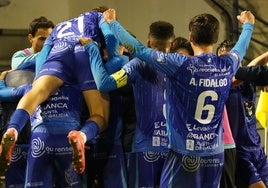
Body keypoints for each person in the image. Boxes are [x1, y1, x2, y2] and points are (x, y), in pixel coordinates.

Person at [102, 8, 255, 187]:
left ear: (190, 38)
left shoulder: (181, 64)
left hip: (185, 152)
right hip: (215, 155)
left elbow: (139, 50)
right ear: (215, 39)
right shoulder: (228, 63)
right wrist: (248, 25)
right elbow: (241, 47)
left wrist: (112, 23)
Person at [0, 8, 112, 186]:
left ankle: (13, 129)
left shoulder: (58, 28)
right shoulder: (101, 18)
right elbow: (112, 40)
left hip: (39, 137)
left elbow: (39, 62)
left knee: (35, 93)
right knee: (100, 115)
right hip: (85, 52)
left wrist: (40, 81)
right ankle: (82, 137)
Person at [78, 20, 175, 187]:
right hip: (176, 149)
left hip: (145, 148)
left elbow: (104, 84)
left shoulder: (138, 64)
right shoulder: (183, 65)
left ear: (149, 42)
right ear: (172, 44)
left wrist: (93, 50)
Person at [218, 43, 268, 187]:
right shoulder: (222, 84)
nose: (229, 65)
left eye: (232, 59)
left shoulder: (246, 78)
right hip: (240, 153)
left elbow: (260, 60)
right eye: (224, 60)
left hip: (257, 149)